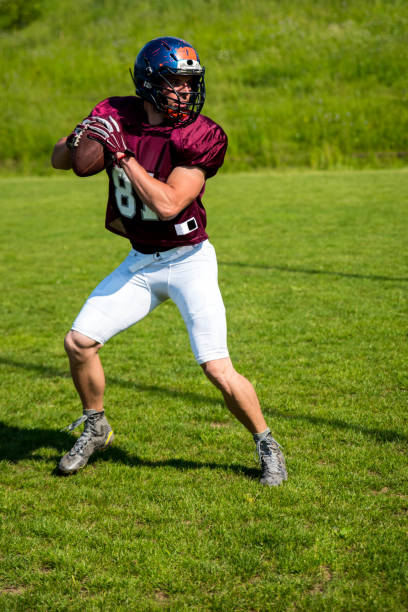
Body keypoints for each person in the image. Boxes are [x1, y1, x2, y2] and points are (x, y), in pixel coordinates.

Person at [51, 36, 287, 486]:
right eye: (175, 82)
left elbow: (168, 204)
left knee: (216, 366)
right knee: (79, 343)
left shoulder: (199, 134)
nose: (184, 91)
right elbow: (63, 160)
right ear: (149, 82)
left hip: (188, 261)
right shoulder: (116, 112)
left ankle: (266, 443)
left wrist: (122, 153)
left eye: (188, 82)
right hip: (140, 262)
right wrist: (79, 136)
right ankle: (96, 426)